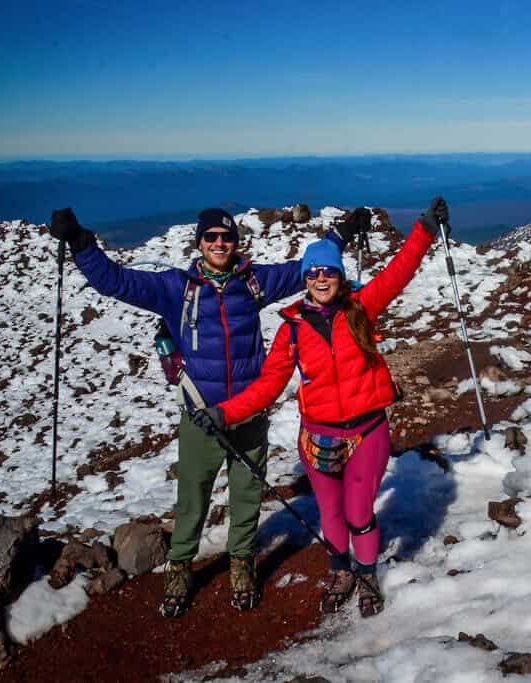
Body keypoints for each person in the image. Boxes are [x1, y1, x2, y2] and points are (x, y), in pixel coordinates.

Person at [49, 205, 364, 617]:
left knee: (247, 496)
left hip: (248, 411)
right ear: (199, 242)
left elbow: (304, 267)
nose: (220, 243)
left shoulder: (252, 281)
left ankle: (241, 565)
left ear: (236, 242)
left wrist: (339, 236)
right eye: (212, 237)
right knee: (192, 499)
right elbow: (114, 281)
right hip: (201, 413)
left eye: (227, 237)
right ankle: (179, 569)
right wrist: (80, 242)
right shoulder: (175, 288)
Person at [191, 197, 448, 617]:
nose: (322, 278)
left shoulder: (361, 307)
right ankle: (340, 570)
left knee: (359, 512)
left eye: (329, 271)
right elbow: (269, 385)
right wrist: (226, 413)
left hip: (366, 430)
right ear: (305, 278)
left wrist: (423, 229)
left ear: (340, 275)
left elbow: (399, 273)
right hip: (317, 435)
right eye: (313, 272)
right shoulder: (291, 330)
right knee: (330, 512)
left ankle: (365, 574)